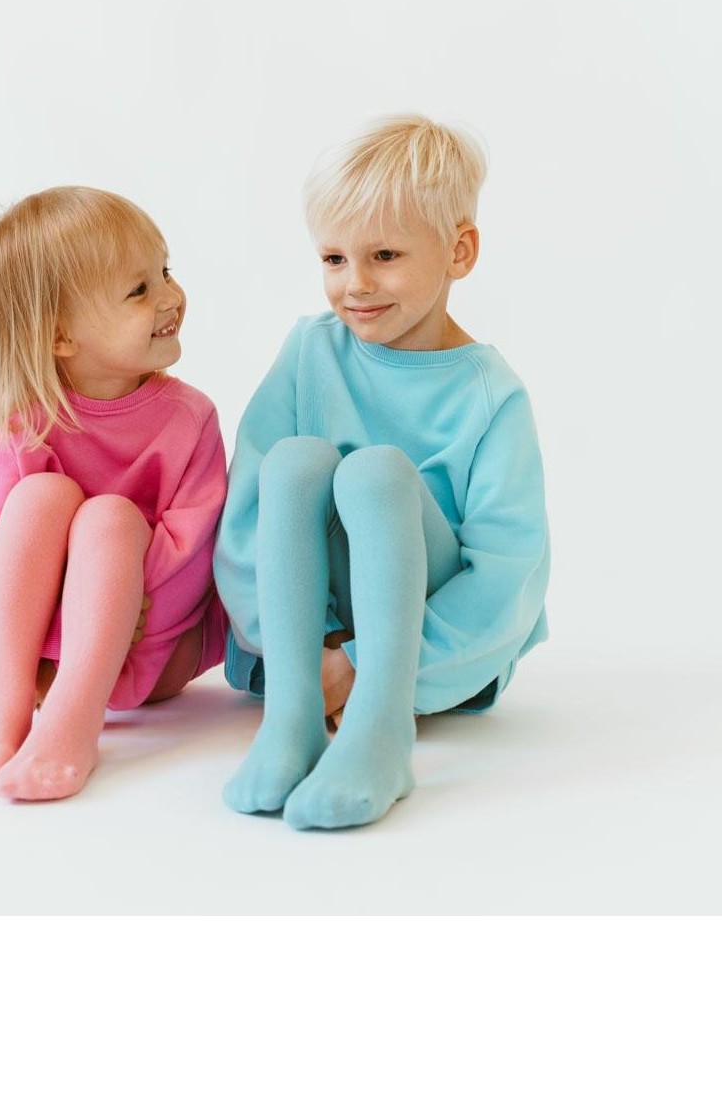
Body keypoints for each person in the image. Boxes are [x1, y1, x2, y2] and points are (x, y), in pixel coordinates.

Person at [213, 115, 550, 830]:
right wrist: (307, 660)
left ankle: (381, 731)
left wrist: (363, 666)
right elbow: (243, 520)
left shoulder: (490, 395)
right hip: (301, 654)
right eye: (334, 258)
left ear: (459, 251)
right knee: (295, 462)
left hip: (429, 665)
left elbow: (506, 578)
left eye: (385, 255)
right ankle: (291, 720)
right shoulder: (308, 350)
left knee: (375, 475)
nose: (355, 284)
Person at [0, 186, 227, 801]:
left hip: (143, 648)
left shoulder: (190, 417)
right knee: (41, 497)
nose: (170, 296)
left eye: (165, 272)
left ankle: (73, 724)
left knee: (111, 519)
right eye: (139, 290)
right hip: (32, 651)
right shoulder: (25, 421)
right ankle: (3, 714)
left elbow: (196, 553)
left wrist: (116, 594)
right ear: (61, 336)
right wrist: (62, 598)